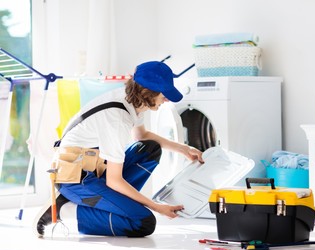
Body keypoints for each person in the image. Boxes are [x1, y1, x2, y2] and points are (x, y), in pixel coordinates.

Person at [34, 61, 204, 237]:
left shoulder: (132, 101)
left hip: (95, 168)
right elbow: (114, 181)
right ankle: (64, 210)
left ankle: (115, 204)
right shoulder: (117, 119)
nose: (166, 99)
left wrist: (183, 148)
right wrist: (156, 207)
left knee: (149, 149)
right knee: (143, 222)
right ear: (148, 93)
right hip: (74, 178)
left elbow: (142, 136)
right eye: (164, 94)